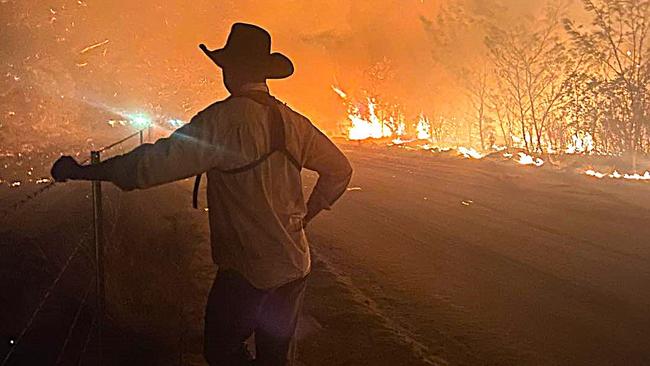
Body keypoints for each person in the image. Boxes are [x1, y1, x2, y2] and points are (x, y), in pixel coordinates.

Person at [51, 22, 353, 366]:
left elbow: (150, 166)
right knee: (275, 359)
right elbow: (340, 171)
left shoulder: (221, 121)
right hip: (294, 266)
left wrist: (83, 171)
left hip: (247, 270)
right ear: (265, 73)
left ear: (230, 70)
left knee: (221, 351)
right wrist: (305, 217)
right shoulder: (295, 122)